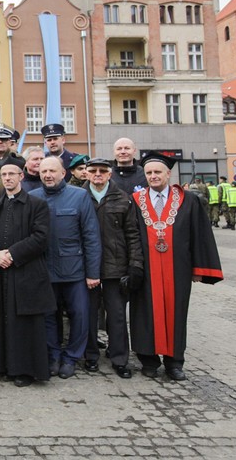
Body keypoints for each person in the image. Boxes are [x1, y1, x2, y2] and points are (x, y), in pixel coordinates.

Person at [131, 152, 224, 380]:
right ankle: (149, 360)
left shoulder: (188, 200)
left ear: (168, 174)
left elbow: (199, 235)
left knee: (177, 312)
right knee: (145, 312)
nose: (153, 176)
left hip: (178, 268)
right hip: (146, 269)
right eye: (149, 173)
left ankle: (174, 362)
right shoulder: (134, 201)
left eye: (157, 172)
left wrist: (199, 269)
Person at [0, 160, 55, 386]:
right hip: (0, 272)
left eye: (12, 174)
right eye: (4, 175)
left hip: (25, 272)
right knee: (1, 319)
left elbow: (41, 237)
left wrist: (12, 254)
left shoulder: (37, 204)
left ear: (21, 177)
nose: (7, 178)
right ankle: (1, 365)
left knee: (24, 323)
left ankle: (24, 370)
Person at [29, 156, 101, 379]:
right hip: (44, 271)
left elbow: (91, 236)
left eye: (52, 171)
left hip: (75, 271)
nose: (47, 175)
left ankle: (71, 358)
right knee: (48, 317)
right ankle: (53, 356)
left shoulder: (79, 196)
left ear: (63, 173)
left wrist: (93, 273)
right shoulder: (32, 197)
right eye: (43, 172)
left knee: (80, 315)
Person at [82, 158, 143, 379]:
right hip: (86, 267)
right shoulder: (79, 197)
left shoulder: (123, 199)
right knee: (88, 315)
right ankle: (90, 356)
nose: (97, 174)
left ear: (110, 174)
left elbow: (133, 235)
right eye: (93, 171)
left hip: (115, 267)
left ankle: (119, 358)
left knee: (116, 316)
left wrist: (135, 264)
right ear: (86, 174)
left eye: (103, 171)